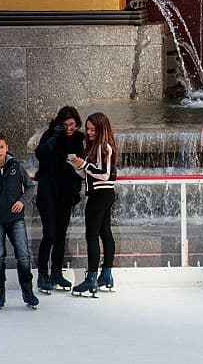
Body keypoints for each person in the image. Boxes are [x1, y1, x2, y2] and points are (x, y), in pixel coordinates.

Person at [0, 132, 38, 311]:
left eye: (2, 147)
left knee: (23, 256)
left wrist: (21, 201)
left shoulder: (16, 167)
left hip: (16, 219)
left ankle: (28, 292)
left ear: (7, 148)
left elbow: (30, 187)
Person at [33, 106, 85, 294]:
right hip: (48, 190)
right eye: (64, 125)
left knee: (61, 235)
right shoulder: (50, 135)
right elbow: (41, 154)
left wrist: (75, 191)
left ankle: (56, 273)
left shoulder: (79, 139)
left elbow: (81, 165)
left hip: (67, 192)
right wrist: (55, 136)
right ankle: (42, 276)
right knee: (50, 233)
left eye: (71, 124)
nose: (69, 128)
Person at [69, 112, 119, 297]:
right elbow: (90, 174)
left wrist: (84, 165)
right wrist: (78, 165)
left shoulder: (103, 146)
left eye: (92, 129)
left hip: (100, 194)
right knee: (104, 232)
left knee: (92, 235)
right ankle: (106, 275)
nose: (89, 132)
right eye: (88, 129)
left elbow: (104, 174)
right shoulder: (96, 147)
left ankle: (92, 278)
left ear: (101, 129)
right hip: (103, 193)